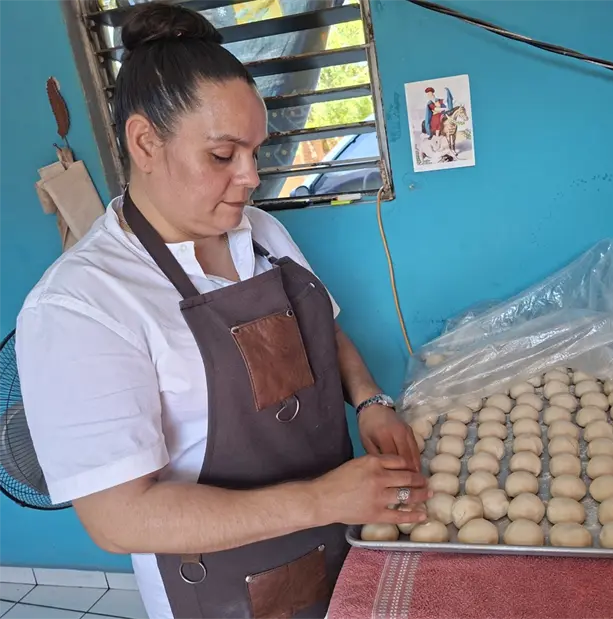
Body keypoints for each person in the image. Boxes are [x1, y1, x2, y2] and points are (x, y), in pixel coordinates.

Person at [15, 5, 427, 619]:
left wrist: (370, 400)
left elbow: (324, 332)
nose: (251, 177)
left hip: (338, 537)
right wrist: (322, 499)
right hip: (223, 589)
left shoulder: (259, 231)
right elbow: (119, 518)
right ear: (145, 142)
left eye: (255, 152)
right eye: (222, 155)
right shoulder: (81, 304)